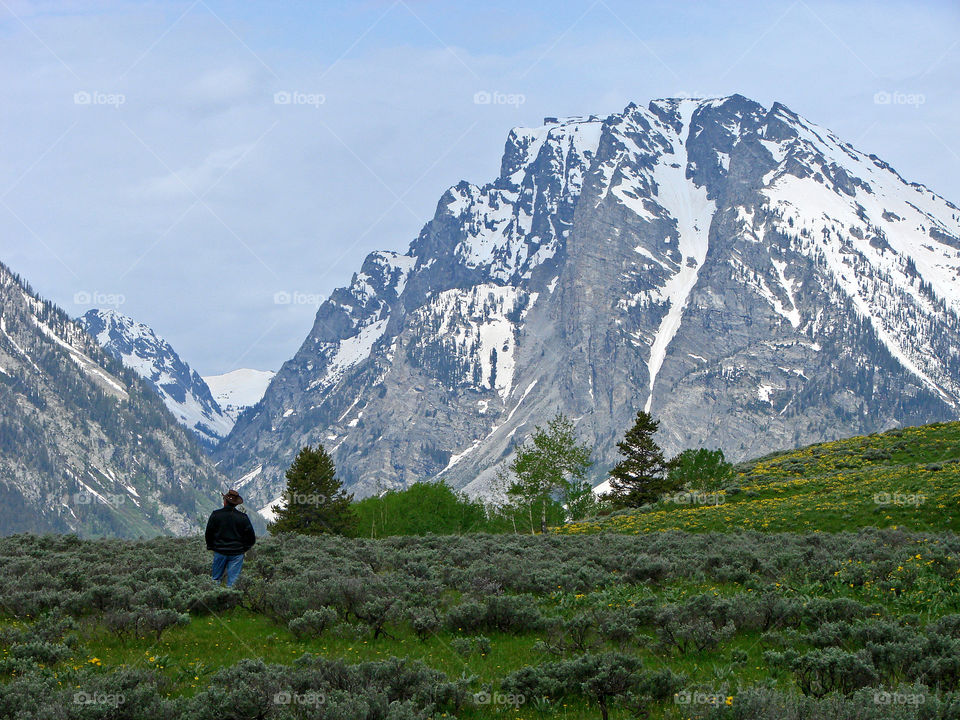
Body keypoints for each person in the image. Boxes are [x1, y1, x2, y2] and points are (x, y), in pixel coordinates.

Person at [205, 489, 256, 587]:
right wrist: (243, 548)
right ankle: (231, 600)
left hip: (220, 551)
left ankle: (214, 600)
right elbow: (251, 537)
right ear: (236, 504)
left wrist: (211, 546)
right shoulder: (243, 517)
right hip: (237, 553)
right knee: (233, 581)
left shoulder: (216, 515)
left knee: (215, 579)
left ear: (225, 501)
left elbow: (209, 533)